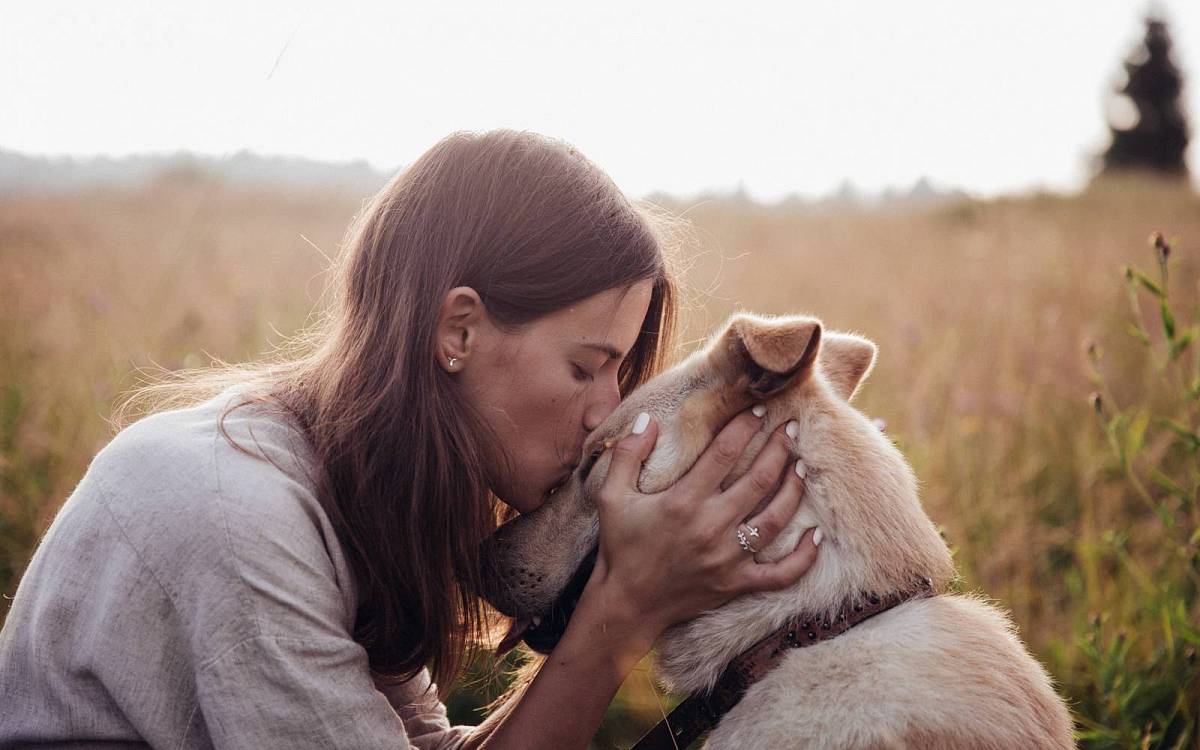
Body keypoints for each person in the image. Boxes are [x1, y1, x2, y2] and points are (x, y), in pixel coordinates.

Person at [0, 129, 818, 749]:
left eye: (620, 374)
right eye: (585, 368)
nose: (607, 414)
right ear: (456, 328)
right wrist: (620, 613)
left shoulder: (357, 494)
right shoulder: (235, 515)